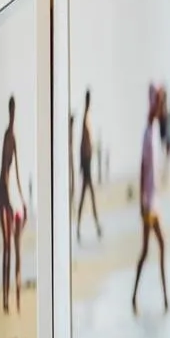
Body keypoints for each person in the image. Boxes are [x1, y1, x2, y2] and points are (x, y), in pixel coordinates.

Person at [132, 85, 169, 315]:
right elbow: (142, 167)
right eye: (158, 103)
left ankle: (164, 298)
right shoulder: (147, 133)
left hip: (154, 201)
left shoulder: (155, 130)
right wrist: (141, 201)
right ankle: (137, 296)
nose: (160, 107)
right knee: (147, 250)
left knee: (158, 246)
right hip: (148, 203)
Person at [0, 96, 27, 315]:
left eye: (14, 111)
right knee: (7, 248)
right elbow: (4, 172)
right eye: (11, 110)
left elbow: (15, 171)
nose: (13, 114)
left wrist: (22, 199)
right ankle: (6, 299)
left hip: (11, 198)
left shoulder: (13, 137)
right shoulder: (8, 136)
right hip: (3, 198)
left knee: (16, 249)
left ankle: (16, 298)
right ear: (9, 111)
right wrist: (8, 198)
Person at [77, 90, 102, 242]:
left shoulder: (87, 118)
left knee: (87, 197)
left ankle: (88, 227)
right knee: (89, 196)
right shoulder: (85, 119)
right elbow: (83, 144)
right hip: (86, 164)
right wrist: (82, 164)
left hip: (87, 162)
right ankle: (94, 226)